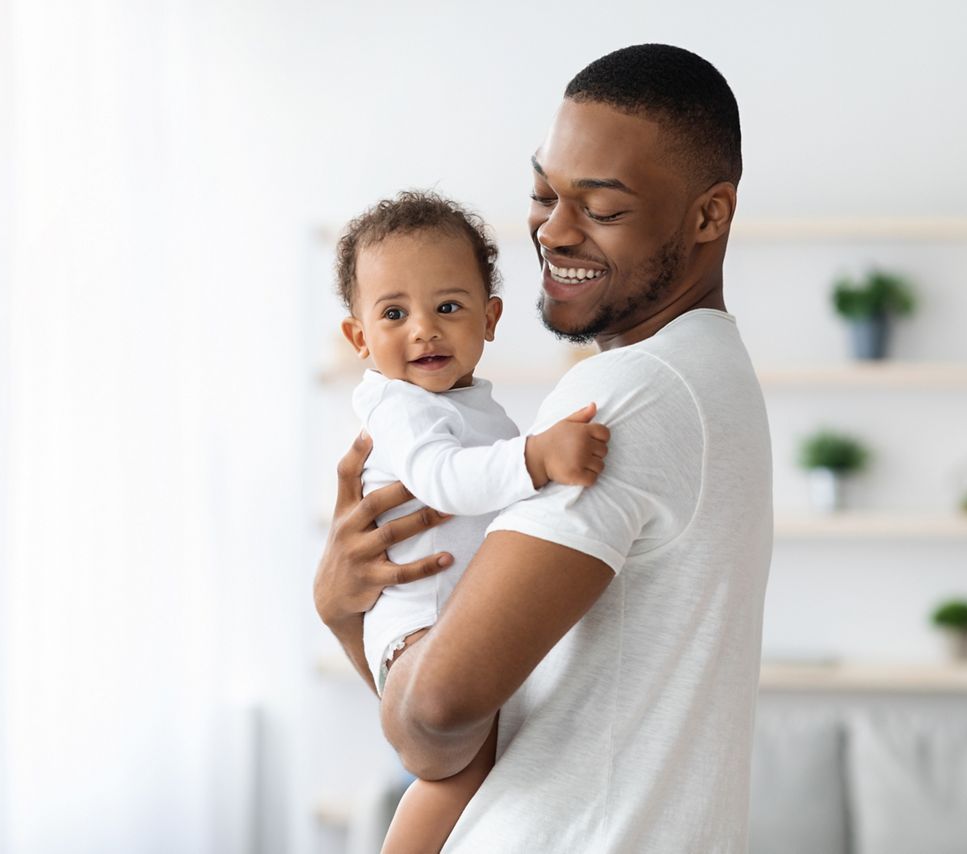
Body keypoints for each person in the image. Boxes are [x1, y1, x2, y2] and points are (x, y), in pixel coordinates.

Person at [315, 44, 772, 852]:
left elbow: (437, 714)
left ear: (709, 215)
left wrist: (342, 616)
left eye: (600, 207)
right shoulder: (705, 375)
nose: (553, 230)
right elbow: (457, 723)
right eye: (542, 192)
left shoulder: (634, 392)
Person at [333, 190, 610, 853]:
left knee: (484, 778)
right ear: (360, 336)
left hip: (443, 632)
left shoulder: (473, 409)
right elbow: (442, 480)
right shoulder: (398, 405)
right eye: (394, 313)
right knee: (455, 778)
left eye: (448, 308)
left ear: (489, 319)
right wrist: (538, 457)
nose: (423, 328)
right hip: (418, 638)